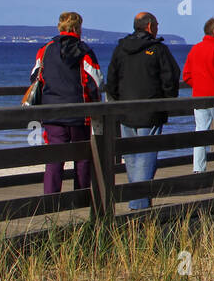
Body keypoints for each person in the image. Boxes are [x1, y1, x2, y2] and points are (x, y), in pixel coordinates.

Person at [106, 11, 181, 210]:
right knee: (146, 156)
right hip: (151, 110)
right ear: (149, 27)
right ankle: (139, 204)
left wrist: (117, 99)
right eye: (156, 25)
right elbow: (171, 76)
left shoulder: (121, 48)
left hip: (125, 111)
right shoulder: (158, 49)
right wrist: (167, 99)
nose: (158, 28)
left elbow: (111, 78)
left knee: (131, 157)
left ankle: (138, 199)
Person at [31, 11, 103, 195]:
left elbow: (35, 76)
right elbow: (96, 80)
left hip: (52, 112)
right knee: (82, 158)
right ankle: (81, 198)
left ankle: (51, 200)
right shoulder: (84, 50)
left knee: (55, 158)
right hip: (79, 112)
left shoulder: (45, 49)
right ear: (78, 28)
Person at [182, 17, 214, 174]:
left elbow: (187, 75)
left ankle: (198, 168)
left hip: (199, 97)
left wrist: (199, 85)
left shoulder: (195, 49)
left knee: (201, 132)